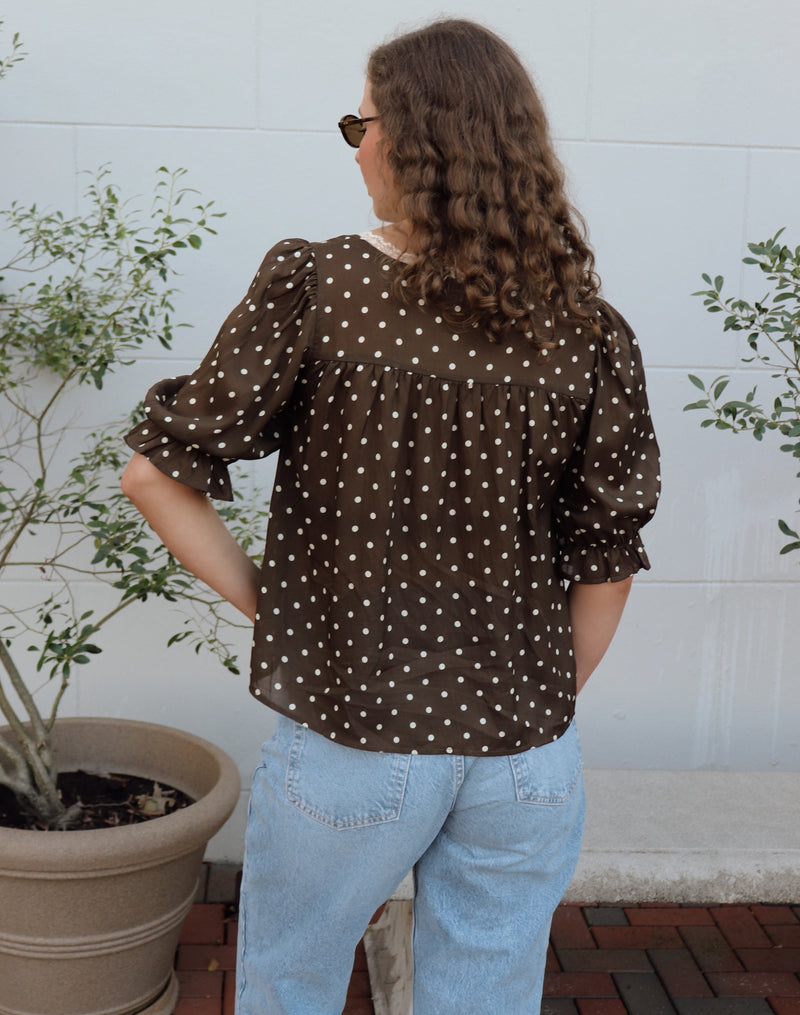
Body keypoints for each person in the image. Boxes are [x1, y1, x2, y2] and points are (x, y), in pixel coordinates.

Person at [121, 17, 660, 1014]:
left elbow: (155, 475)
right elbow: (606, 554)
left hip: (354, 735)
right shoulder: (586, 324)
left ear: (409, 138)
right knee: (486, 991)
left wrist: (277, 612)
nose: (354, 143)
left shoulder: (320, 285)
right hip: (526, 751)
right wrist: (537, 696)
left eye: (356, 122)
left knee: (291, 984)